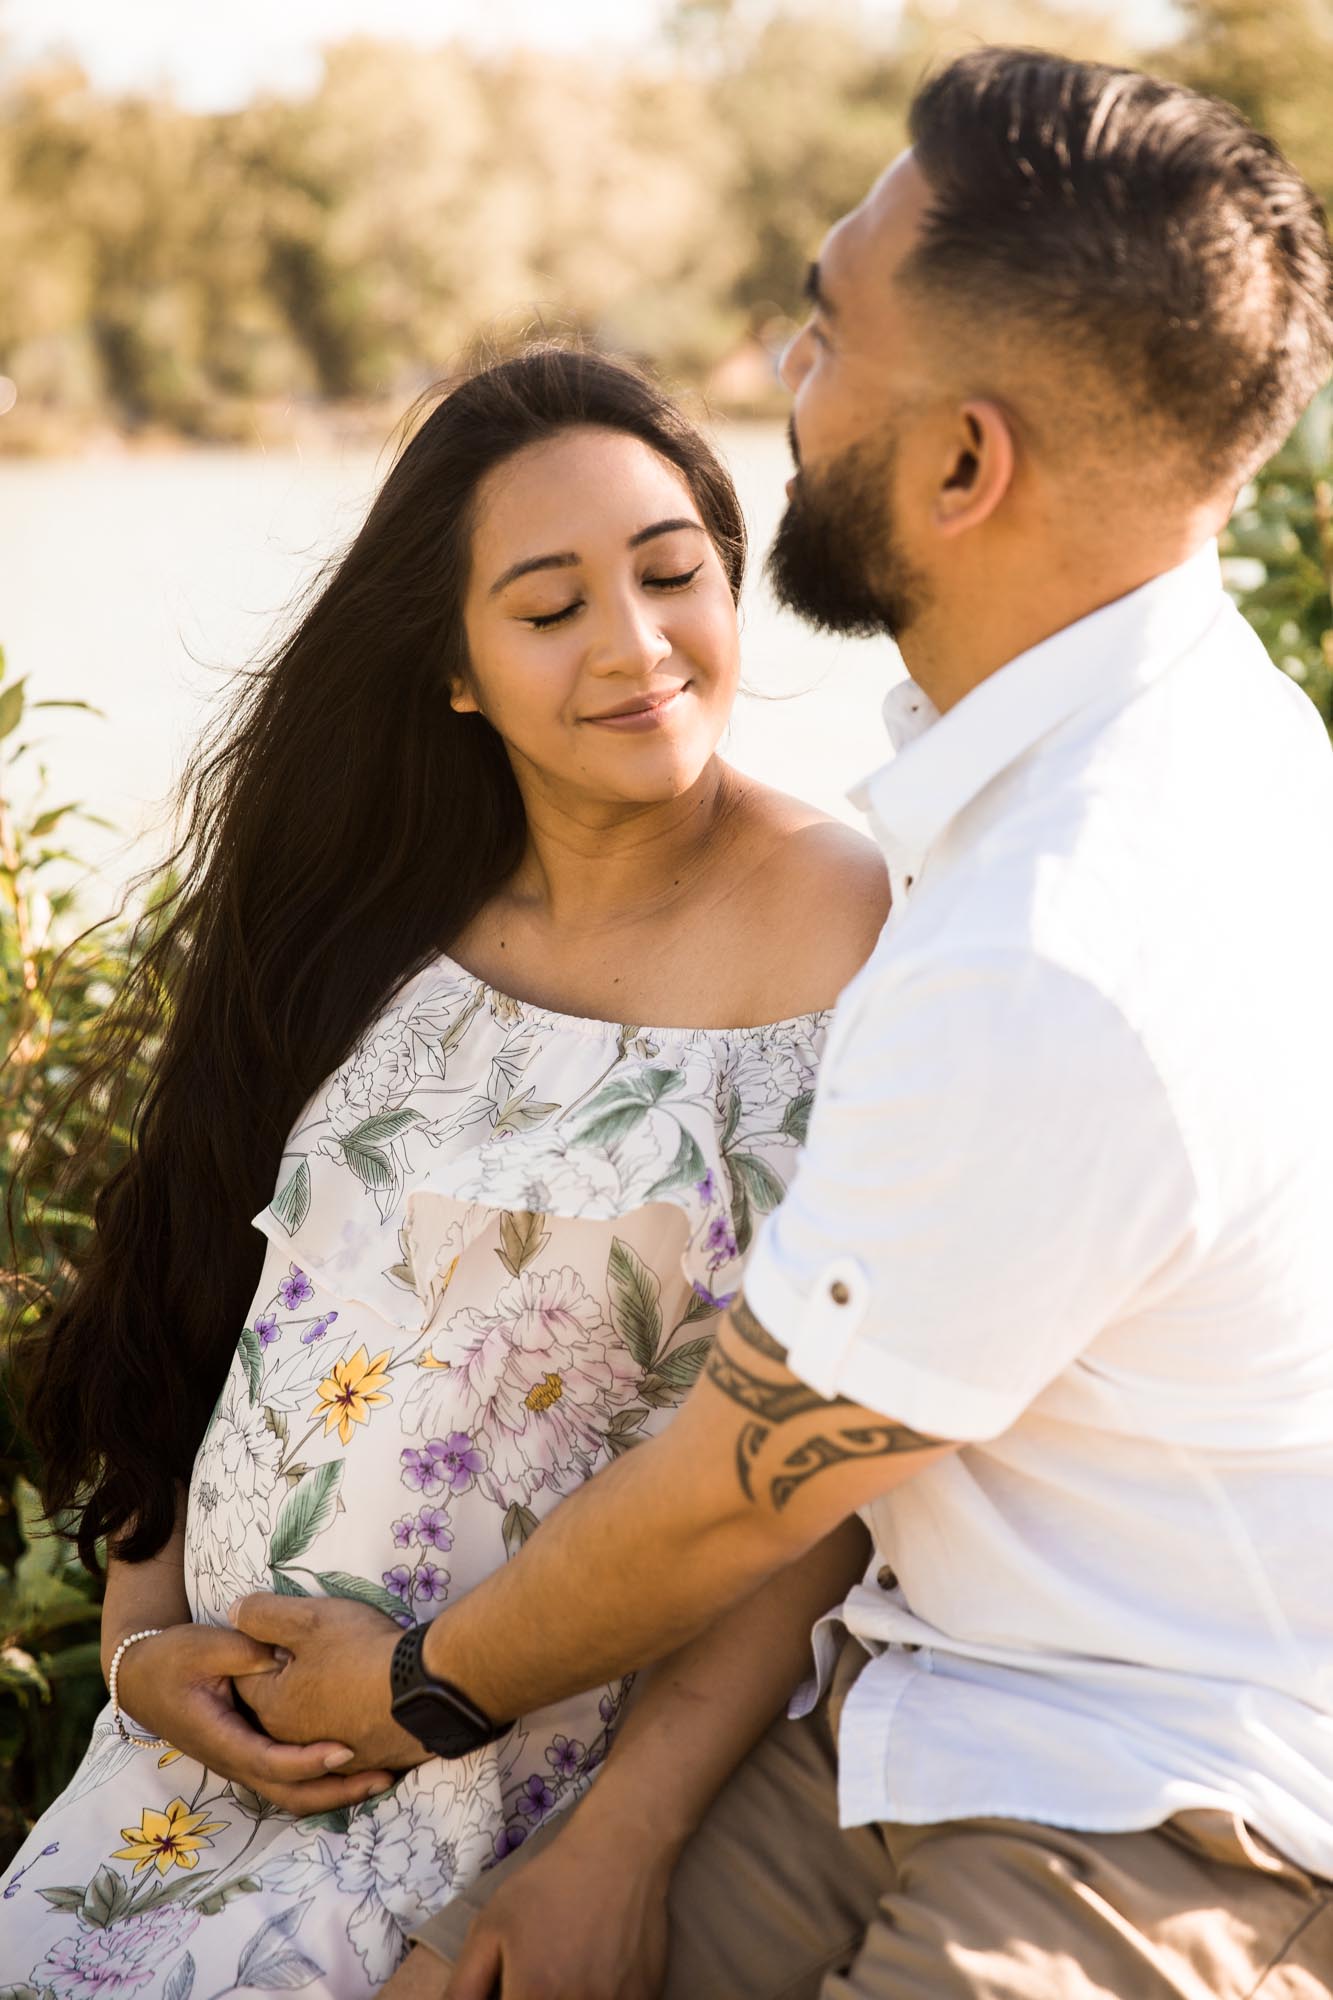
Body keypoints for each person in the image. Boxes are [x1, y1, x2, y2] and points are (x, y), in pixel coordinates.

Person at [225, 46, 1333, 2000]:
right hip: (899, 1701)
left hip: (1145, 1798)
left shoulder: (1057, 938)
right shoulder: (1133, 723)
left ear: (966, 466)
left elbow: (755, 1466)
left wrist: (413, 1687)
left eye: (821, 335)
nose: (773, 378)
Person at [0, 346, 889, 1993]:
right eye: (548, 609)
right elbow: (199, 1289)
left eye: (672, 574)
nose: (635, 647)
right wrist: (137, 1651)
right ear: (456, 668)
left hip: (525, 1786)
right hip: (200, 1762)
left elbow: (814, 1472)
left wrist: (620, 1839)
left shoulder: (850, 924)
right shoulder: (372, 911)